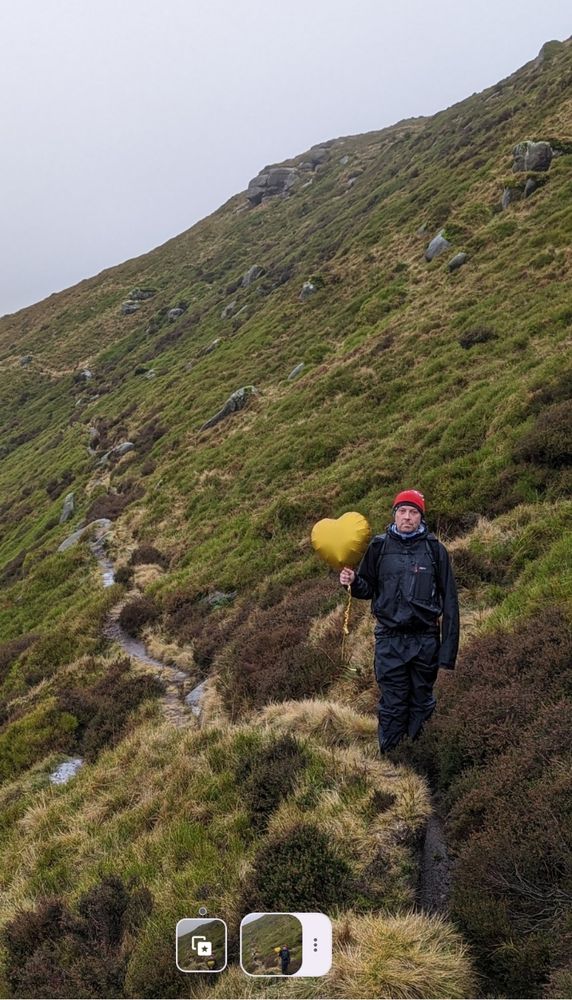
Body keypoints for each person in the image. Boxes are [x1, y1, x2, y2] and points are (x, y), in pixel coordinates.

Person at [339, 489, 459, 755]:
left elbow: (450, 601)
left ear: (421, 516)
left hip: (425, 641)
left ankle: (416, 756)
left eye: (413, 512)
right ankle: (392, 759)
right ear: (394, 514)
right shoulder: (379, 547)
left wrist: (447, 654)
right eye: (402, 511)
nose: (407, 517)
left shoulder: (435, 550)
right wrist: (352, 581)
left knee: (422, 702)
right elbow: (366, 587)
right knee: (393, 704)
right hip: (389, 640)